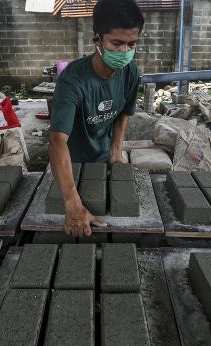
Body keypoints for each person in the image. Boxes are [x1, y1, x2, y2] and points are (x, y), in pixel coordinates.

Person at [48, 0, 144, 237]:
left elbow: (124, 112)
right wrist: (72, 204)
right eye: (116, 43)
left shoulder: (130, 72)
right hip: (71, 164)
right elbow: (57, 141)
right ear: (97, 41)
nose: (124, 52)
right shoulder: (72, 81)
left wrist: (116, 151)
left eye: (131, 44)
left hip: (102, 160)